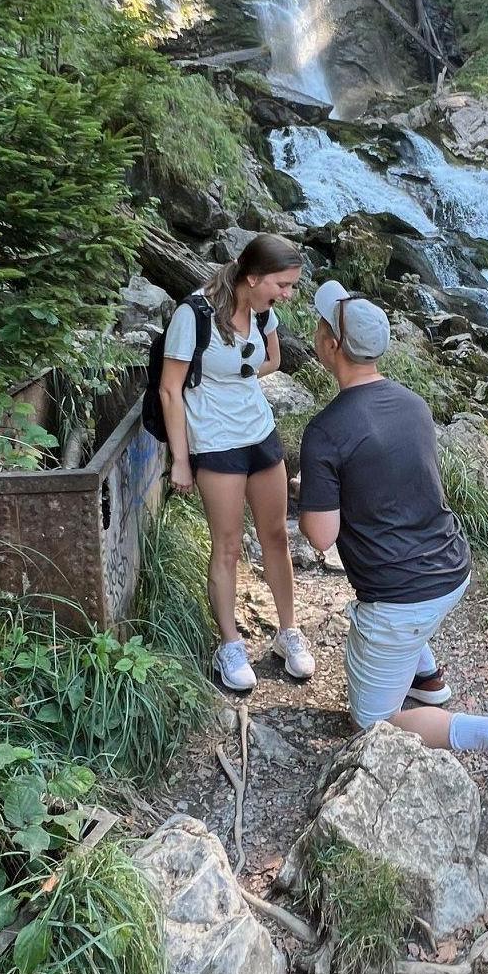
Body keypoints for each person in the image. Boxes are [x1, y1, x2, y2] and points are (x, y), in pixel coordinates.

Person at [296, 280, 488, 799]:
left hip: (401, 598)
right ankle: (426, 677)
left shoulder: (326, 431)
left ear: (331, 347)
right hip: (452, 569)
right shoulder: (413, 404)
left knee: (372, 722)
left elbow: (321, 536)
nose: (318, 331)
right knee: (411, 609)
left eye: (322, 327)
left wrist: (304, 492)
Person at [160, 233, 315, 693]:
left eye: (291, 286)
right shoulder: (194, 315)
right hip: (215, 441)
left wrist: (237, 376)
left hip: (259, 433)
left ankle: (288, 633)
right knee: (226, 545)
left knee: (276, 537)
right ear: (253, 278)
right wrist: (181, 460)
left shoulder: (263, 309)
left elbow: (273, 359)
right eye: (283, 285)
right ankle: (229, 644)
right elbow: (171, 390)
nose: (287, 295)